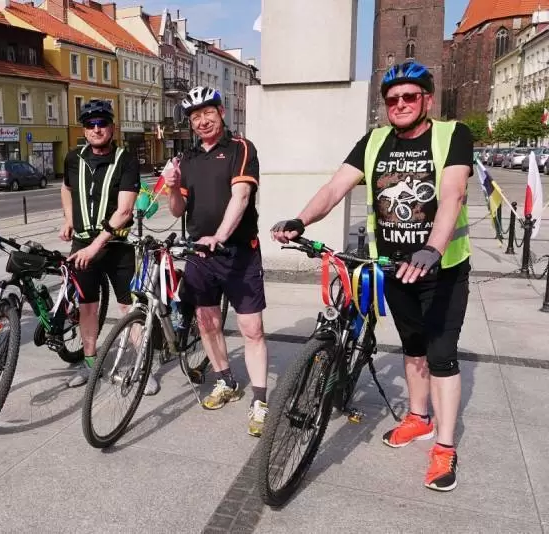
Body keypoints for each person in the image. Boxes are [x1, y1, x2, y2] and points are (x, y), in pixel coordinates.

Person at [271, 61, 472, 492]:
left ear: (426, 100)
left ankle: (445, 446)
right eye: (392, 98)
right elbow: (334, 188)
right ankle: (418, 417)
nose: (400, 104)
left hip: (442, 269)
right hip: (392, 268)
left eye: (409, 96)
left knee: (441, 355)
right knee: (413, 347)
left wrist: (433, 248)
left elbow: (453, 195)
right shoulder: (375, 141)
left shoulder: (452, 135)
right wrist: (301, 219)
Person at [165, 86, 269, 437]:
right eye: (195, 117)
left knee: (252, 329)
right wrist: (171, 186)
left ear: (221, 113)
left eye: (208, 113)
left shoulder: (240, 148)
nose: (202, 121)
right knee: (207, 322)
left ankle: (260, 400)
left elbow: (241, 196)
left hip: (238, 252)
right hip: (200, 254)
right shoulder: (187, 158)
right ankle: (226, 381)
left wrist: (220, 236)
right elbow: (178, 210)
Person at [60, 99, 158, 395]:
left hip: (116, 246)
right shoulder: (73, 158)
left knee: (130, 306)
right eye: (90, 124)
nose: (96, 129)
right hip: (82, 244)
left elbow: (125, 211)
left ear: (112, 127)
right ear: (84, 129)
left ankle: (142, 367)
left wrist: (95, 247)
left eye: (102, 123)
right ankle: (90, 364)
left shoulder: (125, 159)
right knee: (87, 306)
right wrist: (68, 218)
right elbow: (66, 187)